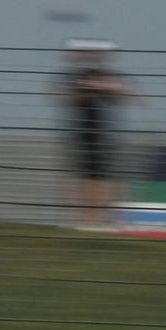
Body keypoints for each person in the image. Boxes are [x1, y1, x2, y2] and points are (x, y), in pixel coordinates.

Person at [59, 41, 133, 228]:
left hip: (105, 135)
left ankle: (103, 217)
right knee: (85, 178)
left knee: (103, 178)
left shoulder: (108, 78)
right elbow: (66, 97)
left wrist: (104, 87)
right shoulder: (73, 77)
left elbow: (124, 95)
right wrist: (90, 88)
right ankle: (84, 219)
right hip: (83, 134)